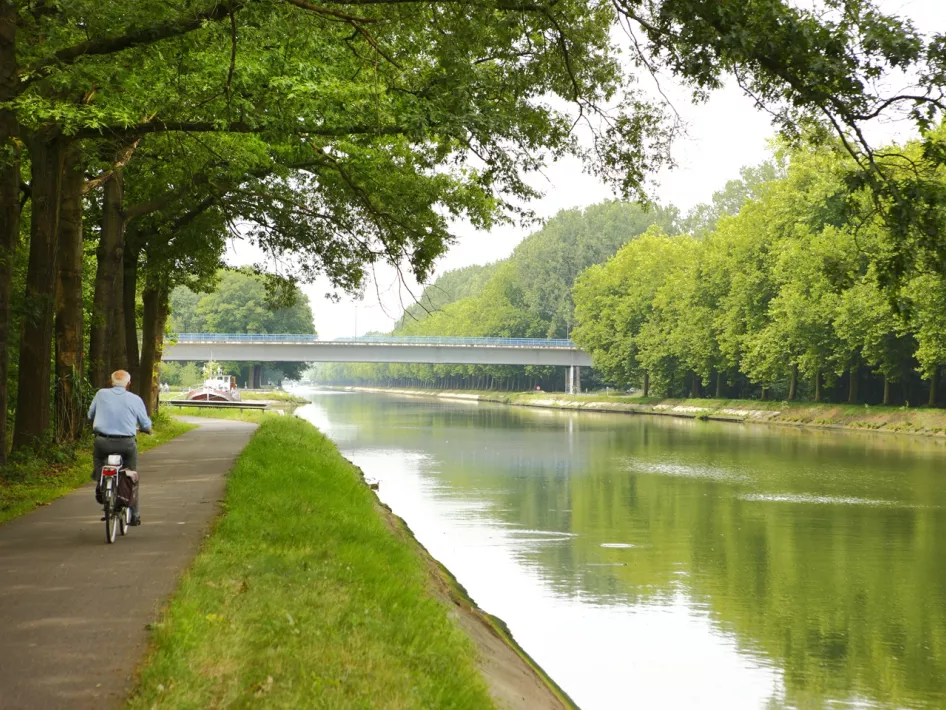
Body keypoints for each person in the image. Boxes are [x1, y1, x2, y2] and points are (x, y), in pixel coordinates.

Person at [88, 370, 152, 526]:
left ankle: (100, 479)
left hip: (103, 442)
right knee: (131, 475)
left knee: (98, 459)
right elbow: (145, 424)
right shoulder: (135, 399)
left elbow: (90, 415)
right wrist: (146, 429)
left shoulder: (101, 394)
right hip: (126, 444)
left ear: (111, 382)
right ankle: (135, 515)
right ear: (128, 384)